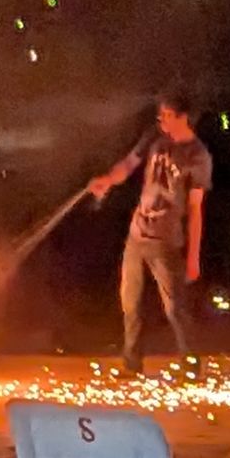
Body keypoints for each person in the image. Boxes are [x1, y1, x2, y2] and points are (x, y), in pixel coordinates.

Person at [90, 94, 212, 372]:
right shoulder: (155, 138)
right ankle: (132, 363)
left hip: (165, 240)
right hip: (138, 234)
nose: (161, 120)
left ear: (183, 117)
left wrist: (193, 257)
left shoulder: (197, 156)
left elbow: (195, 208)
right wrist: (108, 180)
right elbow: (128, 164)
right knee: (130, 302)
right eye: (160, 114)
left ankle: (191, 365)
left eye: (167, 115)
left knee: (175, 307)